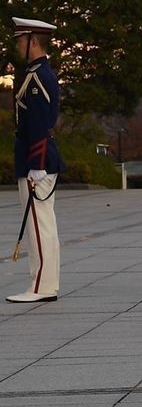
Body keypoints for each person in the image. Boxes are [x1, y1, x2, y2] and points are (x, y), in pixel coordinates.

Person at [7, 17, 63, 304]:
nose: (17, 45)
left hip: (37, 160)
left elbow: (40, 124)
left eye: (20, 40)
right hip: (37, 157)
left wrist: (36, 165)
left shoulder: (37, 77)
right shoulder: (37, 74)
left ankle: (41, 286)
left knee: (39, 226)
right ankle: (45, 283)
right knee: (43, 224)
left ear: (33, 41)